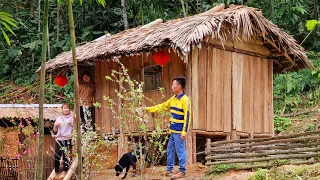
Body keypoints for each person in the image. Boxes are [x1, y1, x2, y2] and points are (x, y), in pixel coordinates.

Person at [144, 76, 192, 179]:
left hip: (179, 131)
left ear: (179, 86)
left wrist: (184, 132)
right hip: (173, 131)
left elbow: (188, 117)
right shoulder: (173, 99)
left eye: (173, 84)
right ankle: (169, 170)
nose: (171, 86)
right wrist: (147, 109)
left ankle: (182, 171)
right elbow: (161, 106)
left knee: (180, 151)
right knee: (170, 150)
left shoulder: (185, 100)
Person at [53, 103, 74, 178]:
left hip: (67, 139)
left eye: (67, 108)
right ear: (62, 110)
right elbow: (55, 130)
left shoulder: (71, 118)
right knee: (56, 156)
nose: (66, 109)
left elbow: (74, 128)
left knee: (65, 156)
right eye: (64, 108)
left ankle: (64, 172)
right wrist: (56, 125)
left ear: (69, 110)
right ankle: (56, 171)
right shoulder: (58, 118)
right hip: (59, 139)